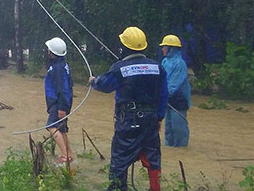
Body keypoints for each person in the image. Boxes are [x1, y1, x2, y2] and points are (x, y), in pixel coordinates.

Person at [90, 26, 168, 191]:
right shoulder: (158, 67)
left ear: (124, 47)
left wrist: (93, 81)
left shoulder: (119, 68)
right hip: (151, 121)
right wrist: (159, 118)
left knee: (120, 159)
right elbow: (163, 96)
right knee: (153, 158)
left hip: (129, 122)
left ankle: (118, 189)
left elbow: (105, 85)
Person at [44, 37, 74, 165]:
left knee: (51, 126)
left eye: (49, 50)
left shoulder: (57, 69)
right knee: (61, 129)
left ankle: (64, 156)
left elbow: (62, 89)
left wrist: (62, 108)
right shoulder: (61, 65)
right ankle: (69, 155)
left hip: (58, 103)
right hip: (60, 103)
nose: (47, 51)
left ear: (52, 53)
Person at [160, 34, 191, 147]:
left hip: (179, 99)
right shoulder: (164, 62)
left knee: (178, 127)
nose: (162, 49)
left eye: (164, 47)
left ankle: (181, 149)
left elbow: (174, 84)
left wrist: (163, 95)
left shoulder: (180, 64)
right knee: (168, 128)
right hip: (167, 98)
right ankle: (170, 149)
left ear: (170, 48)